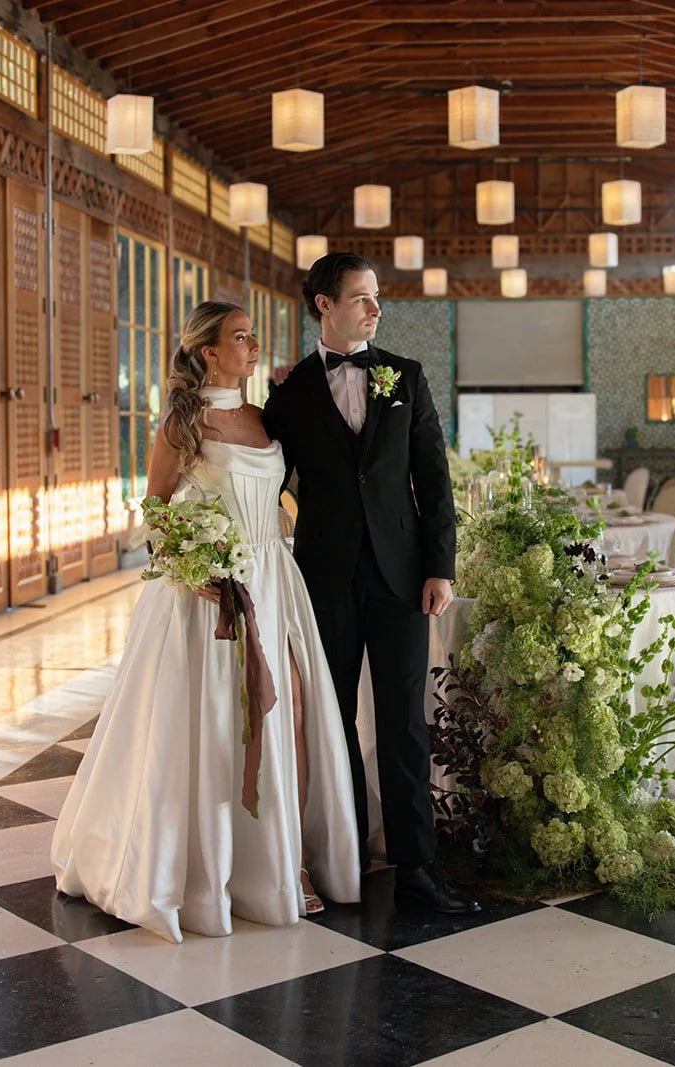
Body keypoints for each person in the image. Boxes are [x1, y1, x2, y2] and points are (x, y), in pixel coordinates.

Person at [51, 301, 361, 943]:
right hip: (209, 597)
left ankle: (286, 860)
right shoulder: (181, 425)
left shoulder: (265, 416)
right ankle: (210, 867)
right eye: (239, 338)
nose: (252, 347)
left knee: (294, 712)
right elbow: (157, 511)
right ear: (208, 352)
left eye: (252, 337)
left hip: (276, 578)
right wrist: (195, 572)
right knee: (217, 726)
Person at [262, 253, 480, 915]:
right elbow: (260, 479)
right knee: (333, 726)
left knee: (403, 724)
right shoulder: (291, 390)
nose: (375, 308)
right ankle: (344, 860)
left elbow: (434, 481)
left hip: (403, 579)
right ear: (325, 305)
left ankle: (416, 865)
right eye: (360, 297)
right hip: (322, 580)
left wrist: (440, 566)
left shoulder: (406, 377)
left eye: (375, 297)